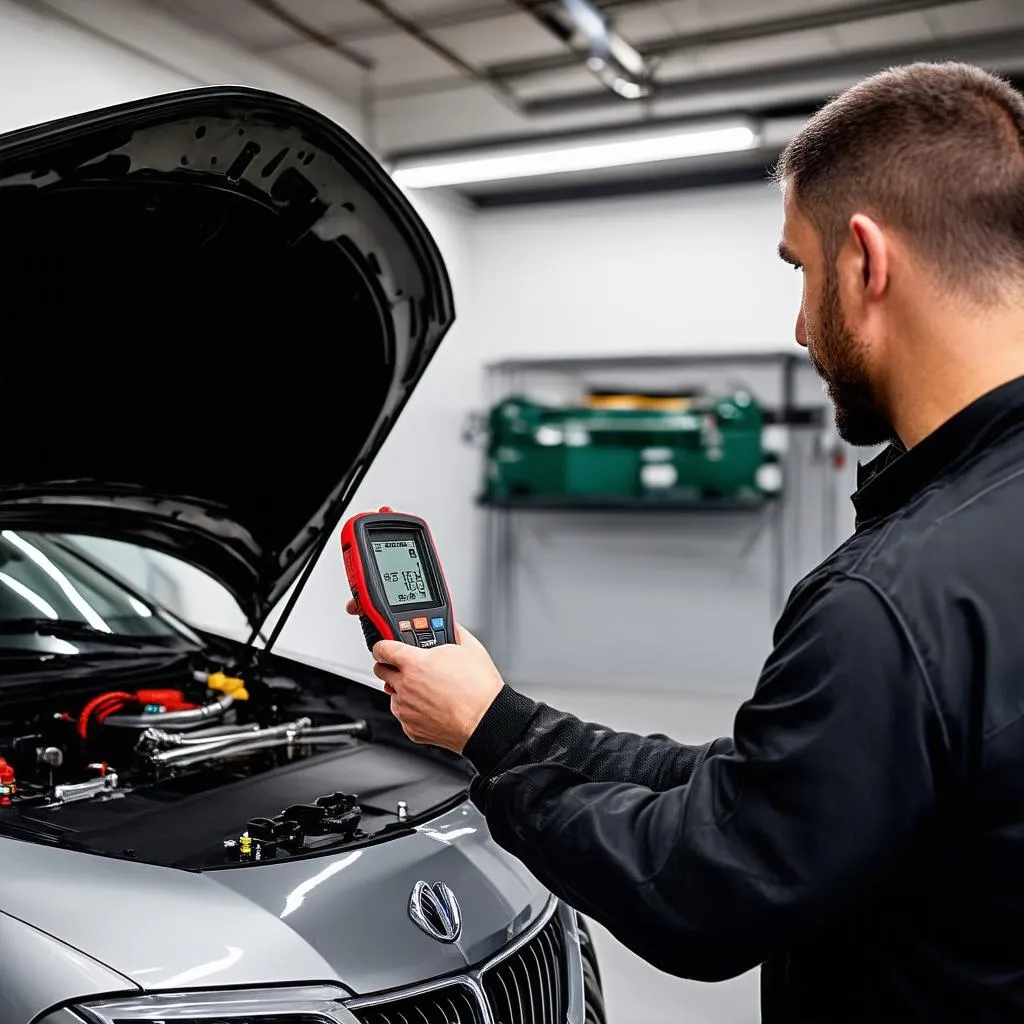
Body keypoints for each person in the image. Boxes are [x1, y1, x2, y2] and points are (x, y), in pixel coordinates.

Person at [350, 61, 1024, 1021]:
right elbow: (763, 791)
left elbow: (713, 882)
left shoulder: (891, 600)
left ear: (867, 262)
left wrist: (490, 762)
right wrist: (498, 719)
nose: (799, 328)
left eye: (800, 268)